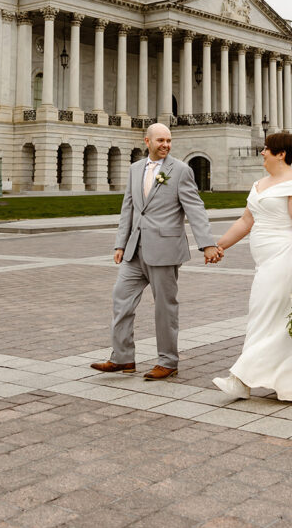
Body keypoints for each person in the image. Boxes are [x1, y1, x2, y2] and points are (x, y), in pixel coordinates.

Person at [212, 131, 292, 402]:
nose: (262, 152)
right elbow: (246, 221)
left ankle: (241, 380)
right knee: (269, 316)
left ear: (281, 154)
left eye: (267, 148)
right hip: (265, 261)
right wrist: (220, 245)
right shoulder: (260, 184)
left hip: (285, 260)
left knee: (265, 316)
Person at [91, 122, 221, 381]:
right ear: (147, 141)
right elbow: (128, 207)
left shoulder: (181, 170)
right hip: (134, 250)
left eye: (169, 141)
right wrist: (120, 243)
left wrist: (207, 244)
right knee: (121, 299)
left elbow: (195, 209)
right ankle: (123, 357)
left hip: (165, 250)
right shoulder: (135, 169)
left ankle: (167, 361)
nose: (165, 145)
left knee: (164, 308)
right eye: (160, 140)